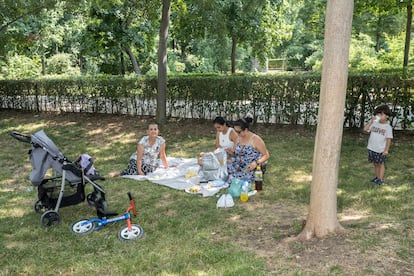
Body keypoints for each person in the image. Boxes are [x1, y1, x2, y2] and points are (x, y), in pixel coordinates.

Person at [227, 117, 270, 182]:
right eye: (235, 131)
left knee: (233, 179)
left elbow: (266, 155)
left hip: (249, 168)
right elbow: (236, 154)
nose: (237, 134)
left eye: (238, 132)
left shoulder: (256, 139)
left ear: (246, 130)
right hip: (237, 165)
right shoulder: (238, 138)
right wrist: (231, 153)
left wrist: (256, 163)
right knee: (223, 168)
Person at [363, 105, 393, 185]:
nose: (379, 116)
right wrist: (371, 122)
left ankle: (380, 179)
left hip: (380, 149)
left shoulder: (387, 127)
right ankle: (377, 177)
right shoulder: (374, 124)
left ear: (387, 116)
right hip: (372, 148)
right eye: (378, 114)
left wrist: (386, 150)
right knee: (375, 164)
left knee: (381, 164)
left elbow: (388, 139)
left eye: (381, 114)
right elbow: (365, 129)